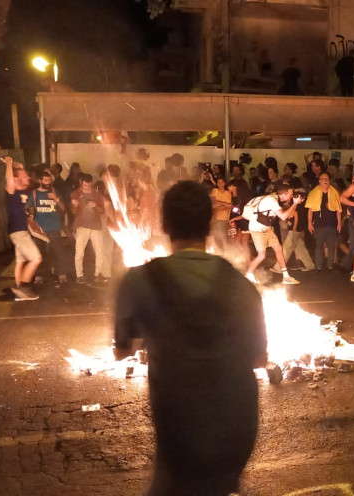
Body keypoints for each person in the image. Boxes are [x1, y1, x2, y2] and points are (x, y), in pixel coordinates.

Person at [114, 180, 267, 496]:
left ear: (164, 225)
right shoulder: (239, 284)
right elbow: (259, 359)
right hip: (237, 423)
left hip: (180, 423)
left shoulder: (139, 281)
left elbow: (122, 350)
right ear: (210, 224)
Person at [244, 183, 301, 285]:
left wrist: (294, 204)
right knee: (261, 255)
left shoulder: (276, 199)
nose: (292, 196)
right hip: (257, 229)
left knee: (278, 249)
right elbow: (283, 217)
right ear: (284, 194)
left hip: (267, 228)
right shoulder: (271, 200)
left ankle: (286, 277)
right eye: (290, 194)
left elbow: (289, 215)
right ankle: (248, 274)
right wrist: (295, 204)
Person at [3, 156, 42, 301]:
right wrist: (8, 164)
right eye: (23, 176)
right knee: (36, 258)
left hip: (21, 231)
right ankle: (24, 287)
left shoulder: (24, 192)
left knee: (20, 261)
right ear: (16, 179)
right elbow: (10, 180)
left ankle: (20, 293)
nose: (27, 178)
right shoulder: (12, 192)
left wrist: (18, 167)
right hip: (18, 232)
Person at [27, 170, 68, 285]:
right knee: (38, 253)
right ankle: (39, 276)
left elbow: (63, 208)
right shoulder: (34, 194)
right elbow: (30, 209)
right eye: (45, 180)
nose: (48, 182)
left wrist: (56, 199)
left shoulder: (55, 192)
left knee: (58, 252)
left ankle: (62, 275)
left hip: (54, 227)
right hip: (39, 230)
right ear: (40, 181)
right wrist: (31, 219)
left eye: (49, 180)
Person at [71, 173, 109, 285]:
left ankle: (97, 274)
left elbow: (102, 211)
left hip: (96, 226)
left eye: (88, 185)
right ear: (81, 183)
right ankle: (79, 275)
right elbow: (73, 212)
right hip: (82, 226)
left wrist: (95, 206)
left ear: (91, 183)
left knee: (100, 251)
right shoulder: (76, 193)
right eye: (84, 185)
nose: (86, 188)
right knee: (79, 252)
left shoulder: (97, 194)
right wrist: (74, 206)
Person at [307, 171, 342, 271]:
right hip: (319, 224)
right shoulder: (314, 192)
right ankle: (318, 265)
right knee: (319, 245)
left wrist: (339, 223)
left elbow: (338, 210)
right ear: (319, 181)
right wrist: (309, 223)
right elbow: (310, 210)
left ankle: (330, 264)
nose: (325, 181)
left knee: (331, 245)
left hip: (332, 224)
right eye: (323, 179)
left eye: (327, 179)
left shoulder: (334, 192)